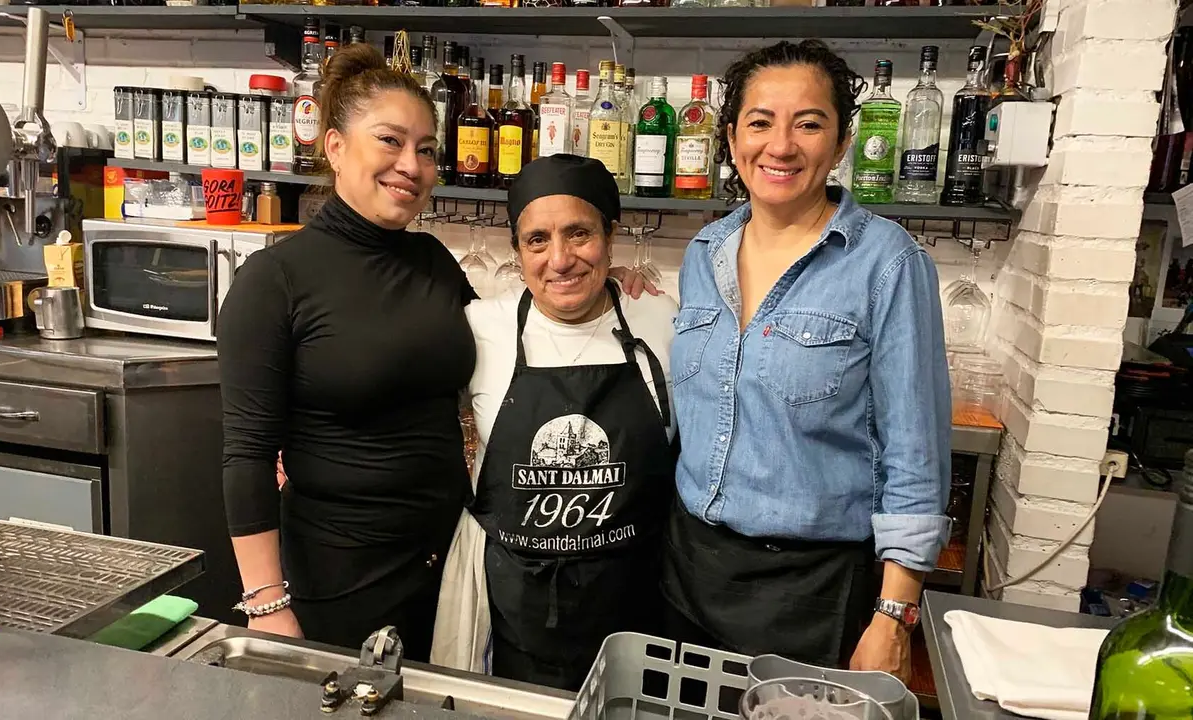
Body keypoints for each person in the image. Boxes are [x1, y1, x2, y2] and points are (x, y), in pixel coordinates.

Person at [219, 44, 653, 661]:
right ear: (335, 146)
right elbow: (247, 458)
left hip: (451, 564)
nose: (412, 165)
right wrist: (267, 602)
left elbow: (519, 331)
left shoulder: (433, 263)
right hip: (340, 573)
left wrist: (615, 292)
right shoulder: (274, 281)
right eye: (390, 142)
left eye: (426, 149)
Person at [662, 40, 951, 683]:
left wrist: (893, 617)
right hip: (687, 570)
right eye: (761, 122)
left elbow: (916, 454)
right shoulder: (703, 252)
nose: (781, 146)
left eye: (809, 123)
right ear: (731, 137)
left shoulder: (889, 264)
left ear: (842, 141)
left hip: (813, 589)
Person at [430, 154, 678, 690]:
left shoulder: (664, 320)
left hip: (635, 610)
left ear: (611, 237)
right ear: (518, 251)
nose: (559, 259)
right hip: (517, 611)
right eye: (537, 240)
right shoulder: (481, 326)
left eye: (579, 234)